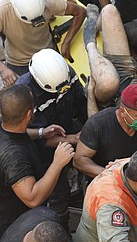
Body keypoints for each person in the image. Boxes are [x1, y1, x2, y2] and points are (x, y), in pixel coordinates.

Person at [0, 85, 75, 238]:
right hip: (17, 225)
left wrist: (41, 133)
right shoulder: (13, 158)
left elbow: (19, 132)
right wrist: (58, 163)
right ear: (28, 114)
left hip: (13, 212)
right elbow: (32, 198)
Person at [16, 49, 88, 226]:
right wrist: (70, 139)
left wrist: (87, 129)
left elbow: (80, 101)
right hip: (43, 148)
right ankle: (60, 224)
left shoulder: (64, 74)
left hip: (66, 127)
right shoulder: (24, 95)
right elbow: (31, 137)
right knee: (58, 192)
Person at [0, 0, 85, 86]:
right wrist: (3, 69)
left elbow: (80, 12)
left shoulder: (47, 1)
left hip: (48, 56)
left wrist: (67, 42)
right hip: (19, 63)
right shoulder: (1, 11)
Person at [74, 83, 137, 178]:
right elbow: (79, 160)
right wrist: (112, 175)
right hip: (105, 178)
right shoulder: (97, 125)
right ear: (123, 112)